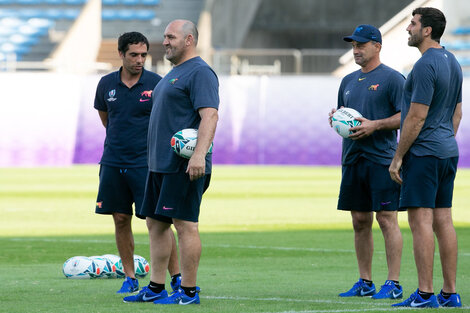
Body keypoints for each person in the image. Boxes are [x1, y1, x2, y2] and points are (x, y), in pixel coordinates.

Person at [123, 20, 219, 305]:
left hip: (184, 165)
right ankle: (156, 286)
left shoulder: (200, 72)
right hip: (159, 165)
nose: (164, 41)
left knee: (186, 225)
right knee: (156, 223)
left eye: (170, 37)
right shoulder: (175, 73)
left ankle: (188, 291)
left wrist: (199, 154)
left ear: (189, 40)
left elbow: (210, 116)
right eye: (164, 36)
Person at [94, 32, 180, 294]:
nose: (140, 59)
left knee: (159, 222)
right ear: (121, 54)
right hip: (113, 162)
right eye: (134, 55)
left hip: (147, 164)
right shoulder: (106, 84)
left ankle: (176, 276)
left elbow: (166, 120)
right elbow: (107, 119)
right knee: (120, 218)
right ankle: (130, 277)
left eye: (144, 54)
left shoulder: (157, 83)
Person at [390, 7, 463, 308]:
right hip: (447, 150)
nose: (408, 28)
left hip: (424, 153)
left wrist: (398, 158)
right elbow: (457, 113)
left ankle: (424, 293)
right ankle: (450, 293)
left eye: (413, 23)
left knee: (421, 221)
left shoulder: (423, 66)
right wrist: (444, 139)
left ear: (427, 30)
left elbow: (416, 118)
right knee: (444, 219)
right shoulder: (453, 62)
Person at [328, 24, 405, 300]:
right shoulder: (347, 81)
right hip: (352, 159)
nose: (356, 49)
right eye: (353, 45)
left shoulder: (393, 79)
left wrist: (375, 125)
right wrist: (336, 121)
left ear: (377, 46)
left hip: (381, 160)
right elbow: (343, 114)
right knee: (360, 220)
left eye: (361, 45)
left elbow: (405, 117)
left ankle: (394, 283)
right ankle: (365, 281)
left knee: (386, 219)